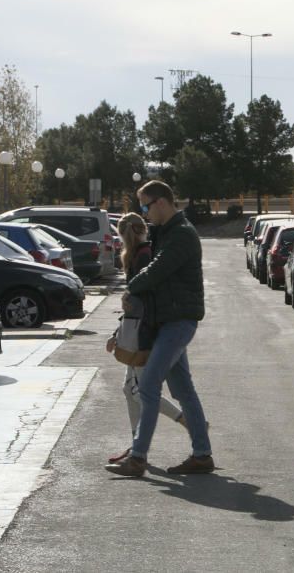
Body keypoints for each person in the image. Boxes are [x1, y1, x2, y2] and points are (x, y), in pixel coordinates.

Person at [105, 181, 213, 477]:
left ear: (161, 202)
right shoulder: (165, 232)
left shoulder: (181, 235)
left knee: (149, 386)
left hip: (178, 322)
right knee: (183, 390)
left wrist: (132, 288)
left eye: (145, 206)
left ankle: (138, 458)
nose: (144, 213)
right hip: (169, 321)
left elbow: (156, 270)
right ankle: (202, 455)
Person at [105, 212, 188, 465]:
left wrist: (119, 334)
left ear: (122, 235)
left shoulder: (141, 257)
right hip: (139, 330)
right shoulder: (143, 254)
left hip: (143, 333)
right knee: (130, 390)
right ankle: (136, 445)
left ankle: (186, 422)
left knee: (141, 391)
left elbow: (139, 304)